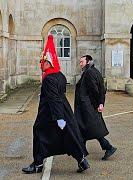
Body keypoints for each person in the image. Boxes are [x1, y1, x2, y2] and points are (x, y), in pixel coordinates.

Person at [22, 35, 89, 174]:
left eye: (43, 62)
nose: (41, 64)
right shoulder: (60, 75)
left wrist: (59, 118)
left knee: (38, 131)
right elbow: (60, 94)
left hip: (50, 113)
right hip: (62, 110)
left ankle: (38, 164)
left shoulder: (49, 79)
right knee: (68, 134)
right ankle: (81, 160)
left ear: (49, 63)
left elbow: (54, 98)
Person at [75, 55, 117, 160]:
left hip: (86, 107)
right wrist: (100, 103)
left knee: (88, 129)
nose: (80, 64)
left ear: (88, 61)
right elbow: (101, 89)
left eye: (82, 62)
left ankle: (107, 147)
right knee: (85, 129)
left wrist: (98, 104)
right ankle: (82, 154)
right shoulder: (94, 71)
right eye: (80, 62)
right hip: (87, 106)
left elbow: (95, 90)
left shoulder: (89, 73)